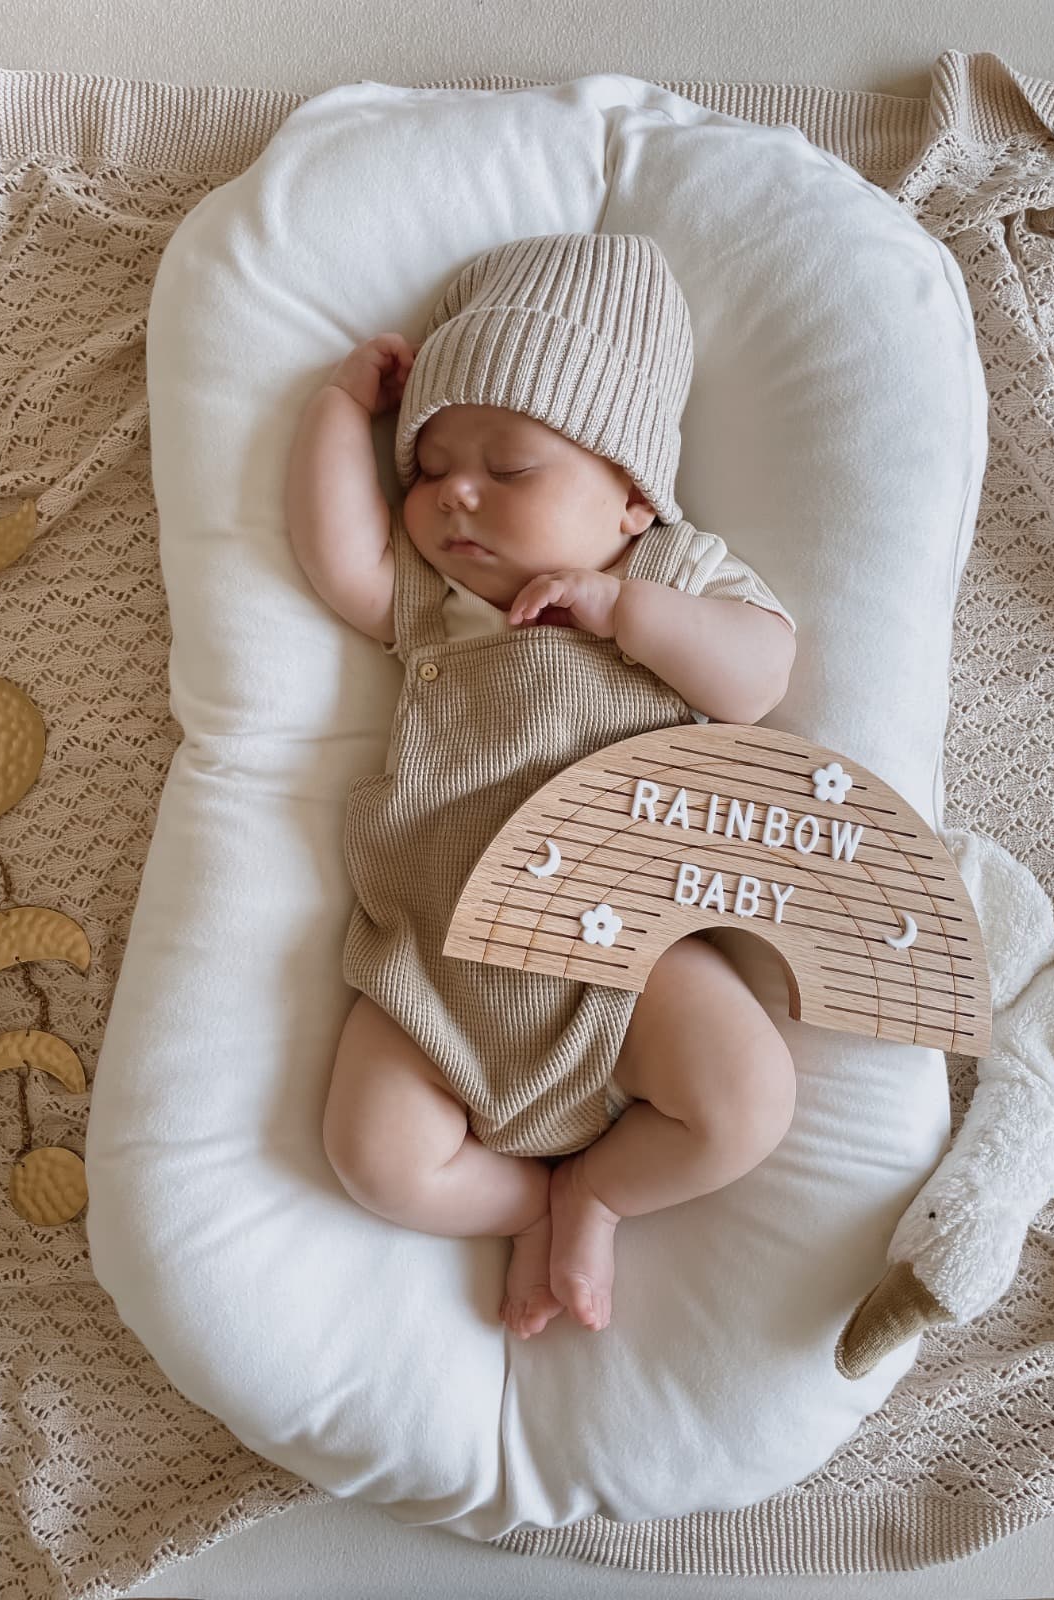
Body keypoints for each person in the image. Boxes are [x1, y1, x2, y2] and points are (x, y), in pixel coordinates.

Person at [286, 233, 799, 1340]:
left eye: (509, 468)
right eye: (428, 469)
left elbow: (760, 677)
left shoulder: (668, 576)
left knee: (747, 1098)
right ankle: (527, 1197)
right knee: (372, 1154)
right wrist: (339, 407)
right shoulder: (431, 603)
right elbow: (337, 555)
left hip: (629, 959)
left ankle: (602, 1189)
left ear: (630, 499)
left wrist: (629, 616)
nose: (455, 494)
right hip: (440, 962)